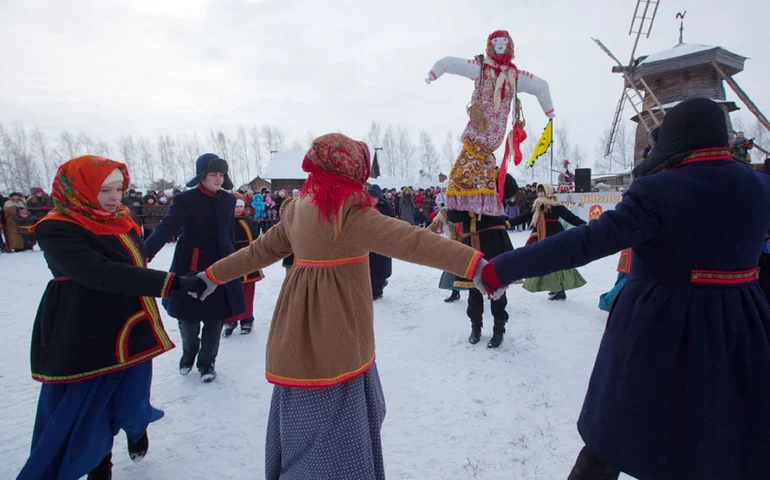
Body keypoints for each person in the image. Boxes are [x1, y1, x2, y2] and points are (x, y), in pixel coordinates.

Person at [478, 98, 770, 479]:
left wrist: (502, 268)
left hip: (659, 331)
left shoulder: (658, 192)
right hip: (740, 330)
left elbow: (585, 242)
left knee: (610, 440)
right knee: (722, 438)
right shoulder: (759, 187)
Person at [194, 133, 494, 480]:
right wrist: (474, 264)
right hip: (338, 333)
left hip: (296, 334)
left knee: (303, 418)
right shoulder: (347, 213)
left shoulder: (297, 208)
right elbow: (411, 241)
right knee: (337, 425)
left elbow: (257, 252)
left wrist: (212, 275)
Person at [18, 155, 204, 480]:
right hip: (83, 326)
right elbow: (98, 271)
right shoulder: (56, 226)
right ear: (80, 189)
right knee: (86, 404)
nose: (115, 197)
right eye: (105, 190)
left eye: (119, 188)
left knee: (133, 391)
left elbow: (137, 260)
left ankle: (135, 426)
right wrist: (172, 282)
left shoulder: (121, 219)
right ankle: (99, 463)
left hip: (128, 321)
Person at [144, 153, 245, 383]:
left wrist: (234, 260)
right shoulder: (186, 199)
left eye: (221, 174)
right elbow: (166, 227)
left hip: (221, 265)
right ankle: (189, 352)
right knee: (188, 319)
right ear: (202, 175)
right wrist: (144, 253)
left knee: (215, 319)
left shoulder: (228, 201)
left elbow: (229, 234)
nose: (218, 179)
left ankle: (207, 363)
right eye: (213, 174)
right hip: (190, 266)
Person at [507, 183, 587, 301]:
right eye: (538, 191)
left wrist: (586, 225)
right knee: (543, 262)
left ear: (548, 192)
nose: (540, 194)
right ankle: (555, 288)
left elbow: (571, 217)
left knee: (556, 263)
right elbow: (524, 216)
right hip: (541, 236)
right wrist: (509, 223)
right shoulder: (537, 205)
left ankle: (558, 289)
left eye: (542, 191)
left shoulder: (555, 205)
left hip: (555, 236)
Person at [222, 198, 264, 337]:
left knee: (247, 293)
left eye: (241, 206)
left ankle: (246, 320)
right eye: (236, 207)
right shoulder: (225, 221)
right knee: (230, 293)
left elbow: (255, 238)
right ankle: (230, 321)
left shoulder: (248, 220)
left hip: (248, 262)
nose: (238, 209)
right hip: (230, 261)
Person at [367, 184, 394, 300]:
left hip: (382, 242)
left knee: (380, 268)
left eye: (374, 197)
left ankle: (378, 290)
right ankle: (371, 289)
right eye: (370, 197)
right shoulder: (363, 208)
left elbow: (392, 222)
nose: (372, 199)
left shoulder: (385, 208)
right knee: (370, 268)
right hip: (368, 242)